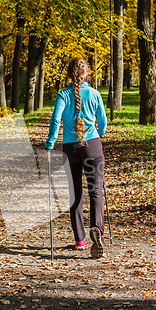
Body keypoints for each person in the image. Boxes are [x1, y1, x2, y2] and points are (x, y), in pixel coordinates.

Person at [45, 57, 107, 258]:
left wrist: (49, 144)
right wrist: (100, 131)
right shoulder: (95, 94)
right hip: (93, 147)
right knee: (96, 191)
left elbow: (56, 119)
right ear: (86, 73)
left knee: (75, 193)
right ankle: (97, 230)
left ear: (69, 74)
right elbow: (103, 122)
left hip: (70, 149)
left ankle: (80, 239)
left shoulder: (62, 95)